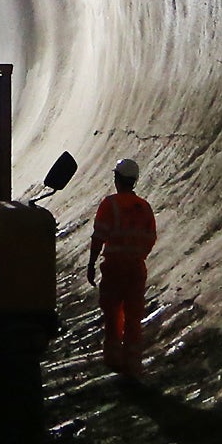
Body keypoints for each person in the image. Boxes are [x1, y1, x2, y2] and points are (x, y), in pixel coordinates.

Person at [87, 158, 157, 381]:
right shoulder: (144, 207)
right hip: (136, 268)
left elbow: (99, 237)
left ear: (117, 179)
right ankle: (133, 364)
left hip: (115, 267)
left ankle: (114, 359)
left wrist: (91, 264)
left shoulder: (110, 205)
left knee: (112, 313)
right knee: (133, 317)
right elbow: (150, 237)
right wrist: (137, 256)